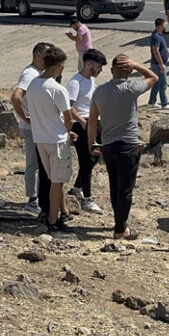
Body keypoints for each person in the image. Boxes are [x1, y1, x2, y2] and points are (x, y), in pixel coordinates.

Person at [89, 55, 158, 240]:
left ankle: (119, 221)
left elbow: (93, 121)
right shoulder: (131, 88)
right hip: (128, 144)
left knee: (115, 185)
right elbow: (154, 77)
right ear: (129, 72)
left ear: (112, 71)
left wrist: (92, 143)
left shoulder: (99, 92)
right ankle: (120, 229)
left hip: (108, 145)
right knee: (126, 189)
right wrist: (137, 64)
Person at [26, 45, 77, 230]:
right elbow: (68, 118)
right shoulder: (57, 89)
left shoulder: (33, 85)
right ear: (58, 66)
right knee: (57, 182)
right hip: (57, 140)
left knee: (54, 179)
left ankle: (60, 212)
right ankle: (54, 220)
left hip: (41, 139)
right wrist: (67, 130)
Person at [11, 43, 52, 213]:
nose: (49, 60)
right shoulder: (30, 74)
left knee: (42, 163)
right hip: (32, 128)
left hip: (38, 126)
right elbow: (16, 97)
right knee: (34, 164)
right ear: (37, 55)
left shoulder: (39, 73)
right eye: (46, 56)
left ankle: (40, 198)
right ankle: (32, 200)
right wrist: (25, 117)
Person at [65, 48, 107, 214]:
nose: (100, 70)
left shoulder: (91, 81)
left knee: (95, 157)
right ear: (89, 64)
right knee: (85, 160)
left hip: (94, 121)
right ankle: (87, 199)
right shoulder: (75, 82)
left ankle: (77, 188)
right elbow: (68, 105)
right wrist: (82, 121)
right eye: (98, 66)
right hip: (81, 124)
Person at [147, 18, 169, 109]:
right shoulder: (156, 37)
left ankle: (152, 102)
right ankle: (164, 103)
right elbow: (155, 51)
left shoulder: (159, 35)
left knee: (157, 84)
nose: (165, 26)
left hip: (157, 64)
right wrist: (161, 64)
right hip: (158, 64)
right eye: (164, 25)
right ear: (160, 25)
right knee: (163, 84)